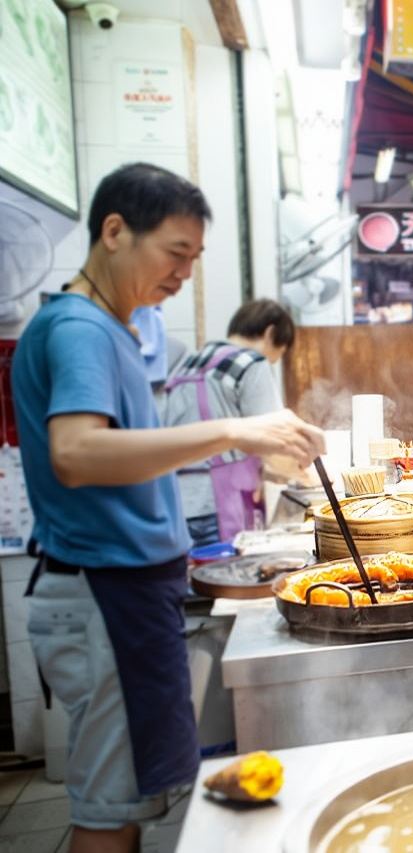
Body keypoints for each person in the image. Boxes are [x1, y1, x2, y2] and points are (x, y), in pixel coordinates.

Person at [12, 163, 324, 853]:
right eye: (175, 253)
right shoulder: (82, 330)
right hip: (102, 592)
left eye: (195, 259)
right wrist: (235, 431)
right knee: (107, 809)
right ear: (115, 231)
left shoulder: (117, 331)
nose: (184, 274)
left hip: (126, 591)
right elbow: (77, 453)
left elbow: (122, 453)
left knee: (122, 796)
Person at [162, 299, 300, 547]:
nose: (273, 363)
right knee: (229, 580)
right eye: (277, 356)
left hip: (176, 504)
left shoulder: (189, 362)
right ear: (270, 334)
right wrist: (303, 472)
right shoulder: (252, 364)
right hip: (222, 505)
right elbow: (276, 436)